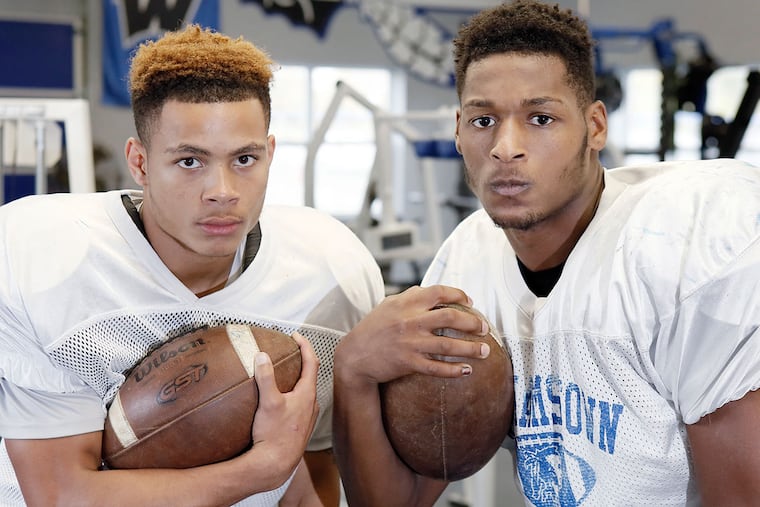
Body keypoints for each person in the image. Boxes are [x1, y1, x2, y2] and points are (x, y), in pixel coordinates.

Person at [332, 1, 760, 505]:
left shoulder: (684, 245)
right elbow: (397, 501)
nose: (504, 147)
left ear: (596, 127)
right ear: (458, 129)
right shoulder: (466, 263)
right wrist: (352, 370)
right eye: (483, 119)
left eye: (540, 118)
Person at [0, 25, 384, 507]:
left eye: (244, 158)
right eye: (189, 162)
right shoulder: (48, 259)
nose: (221, 189)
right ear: (139, 163)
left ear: (271, 154)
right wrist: (260, 469)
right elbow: (60, 495)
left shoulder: (330, 269)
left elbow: (313, 474)